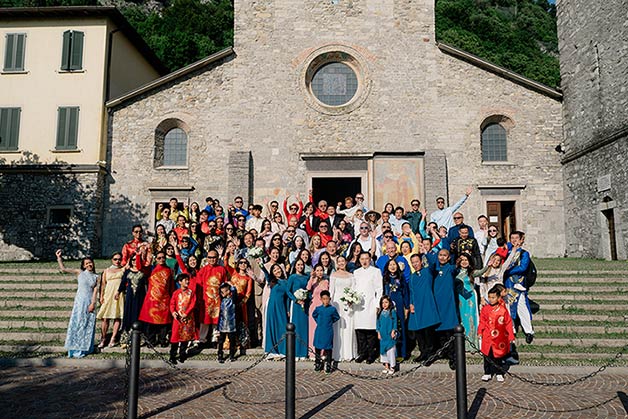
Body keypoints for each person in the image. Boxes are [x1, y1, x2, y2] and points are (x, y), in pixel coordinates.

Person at [56, 249, 99, 358]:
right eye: (87, 263)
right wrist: (59, 258)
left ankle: (85, 348)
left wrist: (93, 303)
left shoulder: (96, 277)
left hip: (89, 301)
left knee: (87, 325)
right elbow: (64, 269)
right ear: (84, 266)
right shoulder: (80, 273)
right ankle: (74, 349)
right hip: (80, 301)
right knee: (78, 324)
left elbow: (95, 291)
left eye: (90, 262)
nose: (89, 264)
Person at [407, 253, 440, 363]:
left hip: (426, 305)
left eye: (417, 262)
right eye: (413, 263)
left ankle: (431, 354)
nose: (415, 264)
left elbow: (433, 263)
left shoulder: (427, 272)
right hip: (417, 307)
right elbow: (411, 292)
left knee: (428, 332)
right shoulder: (412, 277)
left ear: (421, 261)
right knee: (419, 332)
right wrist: (411, 304)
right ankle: (423, 352)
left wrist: (427, 252)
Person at [478, 285, 515, 382]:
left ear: (498, 298)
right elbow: (482, 321)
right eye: (489, 297)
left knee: (498, 356)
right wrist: (480, 331)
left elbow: (508, 323)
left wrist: (511, 335)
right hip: (487, 337)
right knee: (487, 356)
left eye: (493, 297)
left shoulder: (503, 310)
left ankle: (499, 372)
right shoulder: (485, 309)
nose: (491, 299)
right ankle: (487, 372)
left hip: (499, 338)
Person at [503, 231, 534, 344]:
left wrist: (507, 270)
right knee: (508, 307)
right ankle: (511, 330)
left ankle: (529, 331)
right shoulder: (507, 252)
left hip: (519, 283)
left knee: (522, 306)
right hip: (507, 283)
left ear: (521, 240)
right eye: (512, 238)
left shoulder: (524, 253)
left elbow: (523, 267)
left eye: (517, 238)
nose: (514, 240)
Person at [138, 250, 175, 346]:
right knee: (151, 322)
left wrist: (172, 299)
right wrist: (139, 255)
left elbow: (171, 287)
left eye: (163, 257)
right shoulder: (151, 269)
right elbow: (140, 267)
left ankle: (162, 340)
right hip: (152, 300)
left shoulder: (169, 270)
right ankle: (151, 341)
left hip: (164, 299)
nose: (162, 259)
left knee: (164, 323)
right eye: (159, 258)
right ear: (156, 259)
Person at [353, 252, 383, 364]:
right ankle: (362, 353)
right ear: (359, 260)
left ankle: (371, 354)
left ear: (370, 259)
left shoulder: (376, 271)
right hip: (358, 305)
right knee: (360, 331)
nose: (364, 261)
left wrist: (377, 305)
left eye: (366, 258)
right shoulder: (356, 272)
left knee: (370, 332)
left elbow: (379, 289)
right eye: (362, 259)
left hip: (370, 303)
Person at [433, 249, 459, 369]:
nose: (442, 257)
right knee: (440, 333)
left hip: (448, 305)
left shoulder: (450, 269)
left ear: (449, 258)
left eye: (445, 256)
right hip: (437, 305)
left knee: (450, 333)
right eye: (440, 255)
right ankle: (442, 352)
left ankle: (453, 357)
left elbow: (455, 269)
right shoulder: (435, 269)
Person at [115, 251, 147, 343]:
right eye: (132, 260)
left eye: (136, 259)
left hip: (140, 297)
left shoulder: (142, 272)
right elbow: (123, 282)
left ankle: (140, 338)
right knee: (128, 314)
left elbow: (146, 285)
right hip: (129, 296)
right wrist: (118, 292)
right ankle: (126, 337)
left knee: (139, 314)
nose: (134, 261)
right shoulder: (127, 271)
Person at [328, 255, 356, 362]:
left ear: (346, 262)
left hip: (348, 303)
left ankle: (348, 353)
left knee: (348, 327)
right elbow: (331, 291)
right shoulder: (334, 275)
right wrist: (330, 304)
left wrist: (351, 300)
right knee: (337, 327)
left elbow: (353, 289)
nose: (341, 263)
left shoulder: (351, 275)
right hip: (337, 303)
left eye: (342, 261)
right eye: (339, 261)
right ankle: (337, 353)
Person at [96, 252, 125, 348]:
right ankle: (103, 338)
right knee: (105, 318)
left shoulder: (123, 269)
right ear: (112, 260)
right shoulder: (106, 270)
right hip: (108, 295)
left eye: (119, 259)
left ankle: (113, 337)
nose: (117, 261)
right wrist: (101, 296)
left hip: (119, 295)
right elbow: (103, 284)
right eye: (115, 259)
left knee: (117, 317)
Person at [456, 253, 484, 350]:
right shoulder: (455, 272)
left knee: (471, 319)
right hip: (460, 298)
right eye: (462, 260)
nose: (464, 262)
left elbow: (481, 272)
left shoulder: (471, 272)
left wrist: (489, 265)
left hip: (470, 298)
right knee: (462, 320)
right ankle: (462, 344)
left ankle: (472, 344)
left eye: (466, 260)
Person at [169, 273, 196, 364]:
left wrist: (187, 313)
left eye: (188, 280)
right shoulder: (176, 293)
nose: (187, 281)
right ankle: (172, 355)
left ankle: (182, 354)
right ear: (180, 282)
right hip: (177, 319)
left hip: (187, 318)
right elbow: (172, 304)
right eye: (185, 280)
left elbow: (192, 304)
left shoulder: (191, 293)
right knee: (175, 337)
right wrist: (173, 312)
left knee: (185, 337)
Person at [263, 263, 290, 357]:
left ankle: (283, 350)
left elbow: (287, 297)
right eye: (274, 270)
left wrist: (288, 309)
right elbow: (266, 273)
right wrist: (261, 264)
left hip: (281, 306)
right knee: (272, 326)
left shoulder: (286, 282)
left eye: (278, 269)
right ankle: (272, 351)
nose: (277, 271)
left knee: (282, 327)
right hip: (272, 306)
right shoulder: (272, 281)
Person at [287, 259, 310, 359]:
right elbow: (288, 291)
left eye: (302, 265)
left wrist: (306, 298)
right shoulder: (292, 277)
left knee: (304, 327)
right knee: (295, 327)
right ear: (295, 266)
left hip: (304, 304)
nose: (300, 266)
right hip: (295, 305)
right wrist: (295, 300)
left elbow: (309, 289)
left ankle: (303, 352)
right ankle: (295, 352)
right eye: (298, 265)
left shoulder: (307, 277)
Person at [230, 259, 254, 355]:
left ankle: (242, 342)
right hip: (231, 302)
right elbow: (226, 263)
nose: (243, 264)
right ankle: (230, 342)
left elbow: (248, 293)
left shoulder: (249, 278)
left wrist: (243, 302)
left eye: (245, 263)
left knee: (241, 322)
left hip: (241, 303)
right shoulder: (233, 272)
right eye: (241, 263)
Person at [312, 290, 340, 373]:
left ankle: (328, 364)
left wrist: (330, 322)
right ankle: (317, 363)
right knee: (318, 347)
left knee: (328, 348)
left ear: (330, 299)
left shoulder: (332, 309)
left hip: (328, 331)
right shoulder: (318, 309)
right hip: (319, 331)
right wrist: (319, 321)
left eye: (327, 299)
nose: (325, 301)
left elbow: (336, 317)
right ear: (321, 299)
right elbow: (314, 315)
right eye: (324, 299)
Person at [306, 264, 330, 349]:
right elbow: (308, 288)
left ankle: (323, 350)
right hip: (314, 305)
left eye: (321, 270)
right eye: (318, 270)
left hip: (323, 306)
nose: (319, 272)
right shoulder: (313, 280)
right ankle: (312, 350)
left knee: (323, 328)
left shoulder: (326, 281)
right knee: (313, 328)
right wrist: (312, 278)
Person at [376, 295, 398, 374]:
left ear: (389, 303)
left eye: (386, 302)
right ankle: (386, 366)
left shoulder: (392, 312)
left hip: (389, 334)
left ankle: (392, 366)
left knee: (390, 350)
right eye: (382, 303)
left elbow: (395, 322)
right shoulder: (380, 313)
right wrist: (378, 332)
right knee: (383, 351)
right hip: (383, 334)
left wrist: (393, 331)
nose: (384, 304)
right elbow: (377, 324)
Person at [217, 282, 238, 362]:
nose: (222, 293)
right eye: (221, 292)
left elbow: (235, 292)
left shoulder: (232, 300)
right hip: (222, 324)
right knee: (221, 341)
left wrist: (232, 285)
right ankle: (220, 354)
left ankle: (232, 355)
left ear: (229, 291)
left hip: (231, 324)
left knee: (232, 340)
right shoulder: (221, 300)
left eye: (224, 291)